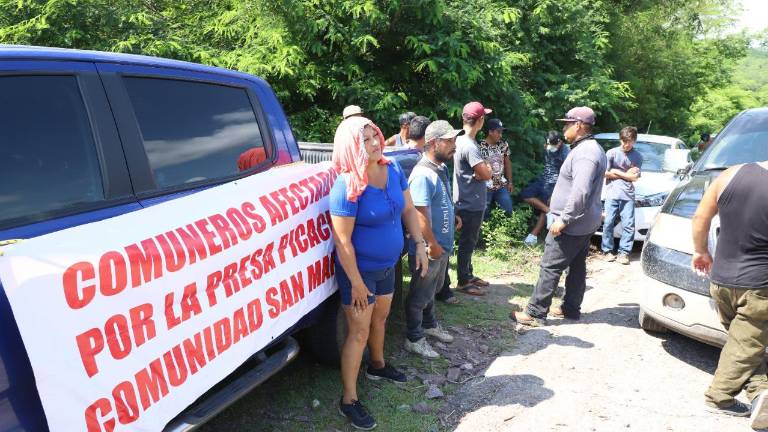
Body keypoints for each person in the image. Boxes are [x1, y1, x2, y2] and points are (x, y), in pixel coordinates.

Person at [329, 116, 429, 430]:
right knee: (357, 332)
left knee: (381, 318)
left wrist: (420, 244)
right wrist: (357, 283)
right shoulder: (346, 185)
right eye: (365, 140)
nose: (374, 144)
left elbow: (408, 210)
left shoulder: (394, 168)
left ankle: (378, 365)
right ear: (350, 147)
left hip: (388, 266)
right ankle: (348, 400)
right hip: (360, 274)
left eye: (375, 137)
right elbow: (342, 241)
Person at [511, 106, 607, 326]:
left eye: (567, 123)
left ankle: (535, 313)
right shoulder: (590, 148)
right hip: (585, 222)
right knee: (577, 265)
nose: (563, 127)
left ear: (578, 125)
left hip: (573, 223)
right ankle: (570, 308)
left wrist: (564, 219)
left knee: (550, 266)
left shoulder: (586, 153)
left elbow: (580, 191)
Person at [691, 161, 768, 429]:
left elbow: (700, 217)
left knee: (744, 342)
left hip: (720, 279)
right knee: (747, 344)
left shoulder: (730, 173)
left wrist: (700, 251)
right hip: (759, 287)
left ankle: (761, 393)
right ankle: (719, 398)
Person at [404, 120, 464, 358]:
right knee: (420, 294)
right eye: (449, 141)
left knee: (433, 290)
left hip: (441, 245)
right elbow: (418, 215)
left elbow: (442, 200)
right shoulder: (421, 174)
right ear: (433, 143)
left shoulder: (441, 168)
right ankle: (414, 337)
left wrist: (453, 215)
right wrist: (432, 244)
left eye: (454, 140)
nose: (454, 146)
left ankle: (429, 325)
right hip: (430, 248)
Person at [453, 101, 493, 296]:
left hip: (464, 198)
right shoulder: (469, 145)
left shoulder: (459, 140)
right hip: (470, 202)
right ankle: (463, 280)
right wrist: (486, 170)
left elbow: (481, 171)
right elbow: (485, 174)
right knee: (468, 242)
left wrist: (483, 170)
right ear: (480, 120)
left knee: (469, 241)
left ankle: (468, 274)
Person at [600, 126, 642, 264]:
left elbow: (635, 177)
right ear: (620, 139)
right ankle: (607, 251)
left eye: (629, 141)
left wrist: (616, 172)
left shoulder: (637, 156)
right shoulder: (611, 153)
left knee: (628, 224)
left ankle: (623, 253)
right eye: (624, 141)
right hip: (612, 192)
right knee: (608, 222)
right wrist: (625, 174)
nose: (626, 144)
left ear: (634, 141)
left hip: (628, 195)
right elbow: (604, 173)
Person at [521, 131, 569, 245]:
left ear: (559, 142)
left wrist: (555, 194)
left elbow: (566, 175)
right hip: (543, 179)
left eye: (553, 145)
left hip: (556, 183)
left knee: (547, 202)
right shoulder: (547, 146)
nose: (550, 147)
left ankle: (533, 235)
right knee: (525, 195)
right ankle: (549, 212)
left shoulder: (566, 152)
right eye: (548, 144)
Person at [479, 118, 514, 219]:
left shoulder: (503, 145)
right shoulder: (480, 146)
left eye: (501, 132)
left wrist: (510, 182)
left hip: (501, 185)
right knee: (484, 214)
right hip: (485, 186)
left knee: (508, 210)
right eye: (498, 132)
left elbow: (507, 163)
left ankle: (506, 232)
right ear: (490, 131)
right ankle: (485, 233)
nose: (500, 135)